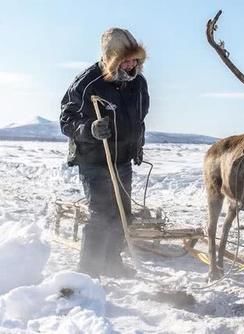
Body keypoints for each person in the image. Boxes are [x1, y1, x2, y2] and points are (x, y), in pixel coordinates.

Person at [60, 28, 149, 278]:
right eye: (126, 59)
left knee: (122, 213)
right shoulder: (88, 83)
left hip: (122, 158)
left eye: (136, 59)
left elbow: (139, 119)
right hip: (95, 159)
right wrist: (89, 129)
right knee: (101, 214)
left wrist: (137, 145)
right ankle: (87, 272)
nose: (132, 65)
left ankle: (112, 263)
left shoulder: (138, 83)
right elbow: (66, 120)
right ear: (112, 57)